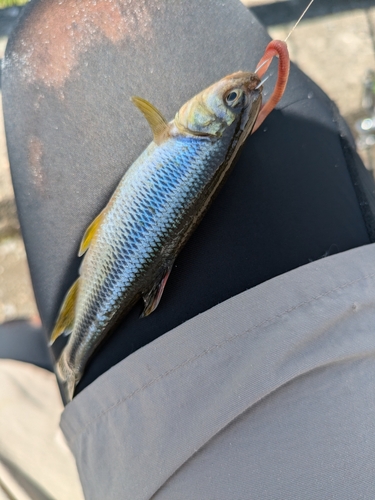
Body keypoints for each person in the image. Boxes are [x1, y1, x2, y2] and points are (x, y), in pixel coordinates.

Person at [2, 0, 375, 498]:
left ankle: (68, 357)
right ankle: (65, 361)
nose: (233, 94)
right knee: (37, 340)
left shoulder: (178, 132)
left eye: (231, 103)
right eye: (233, 100)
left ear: (206, 123)